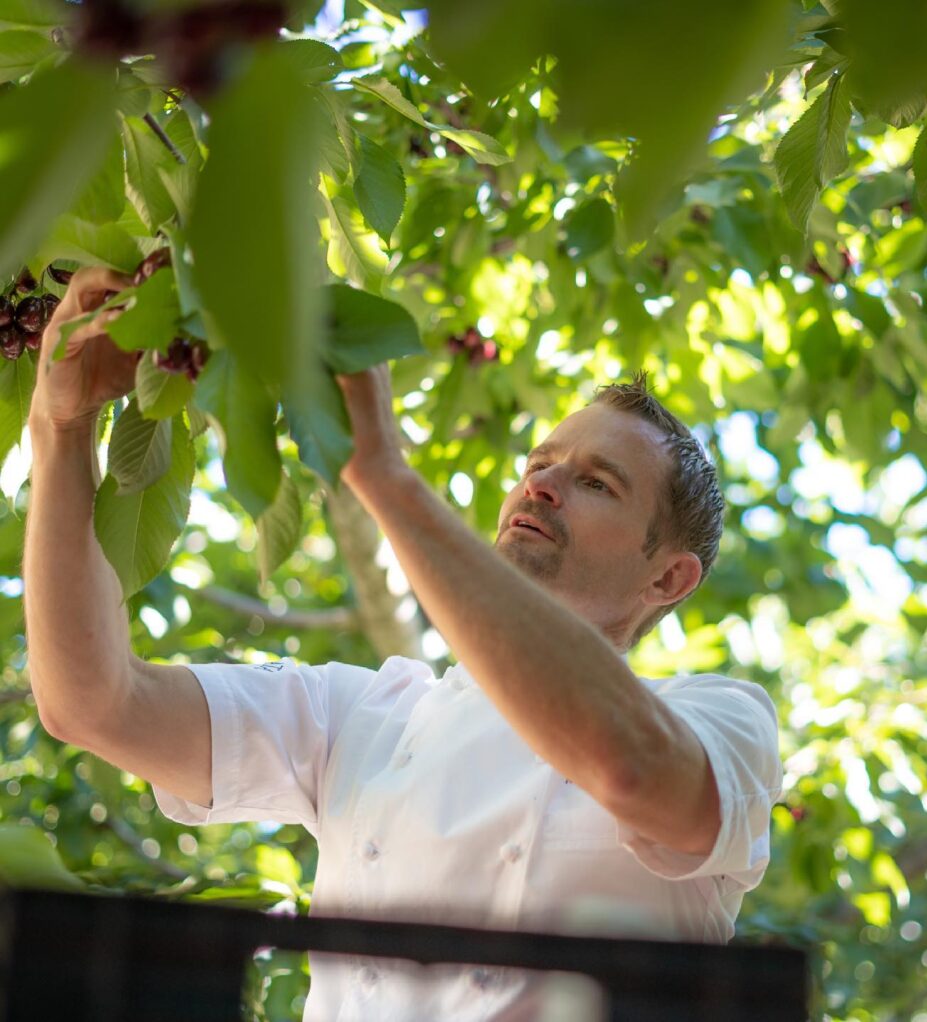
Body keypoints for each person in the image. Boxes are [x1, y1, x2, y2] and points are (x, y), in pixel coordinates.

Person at [24, 268, 783, 1021]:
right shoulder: (361, 716)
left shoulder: (721, 721)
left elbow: (630, 767)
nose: (541, 485)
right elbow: (92, 702)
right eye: (540, 464)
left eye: (597, 483)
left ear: (668, 579)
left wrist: (383, 474)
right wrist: (60, 432)